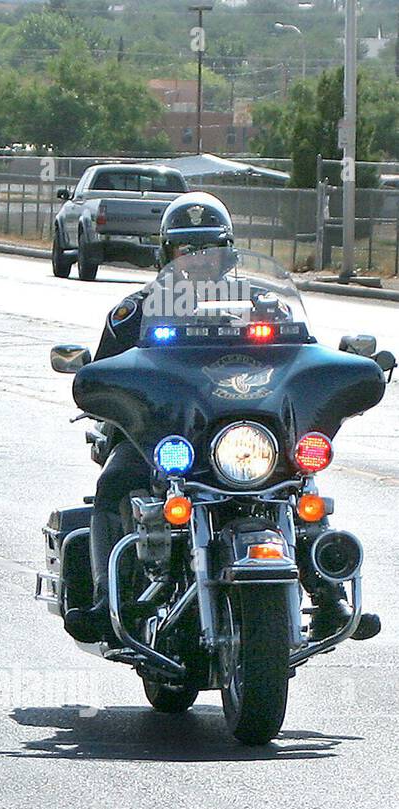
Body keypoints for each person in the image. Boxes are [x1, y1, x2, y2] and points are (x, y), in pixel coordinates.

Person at [64, 193, 380, 644]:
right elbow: (105, 374)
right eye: (185, 250)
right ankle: (102, 601)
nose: (197, 261)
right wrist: (97, 387)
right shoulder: (134, 312)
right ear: (166, 252)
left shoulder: (267, 305)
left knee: (301, 486)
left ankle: (330, 598)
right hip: (161, 439)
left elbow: (305, 358)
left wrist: (339, 371)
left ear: (227, 253)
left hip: (247, 436)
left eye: (209, 249)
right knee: (113, 482)